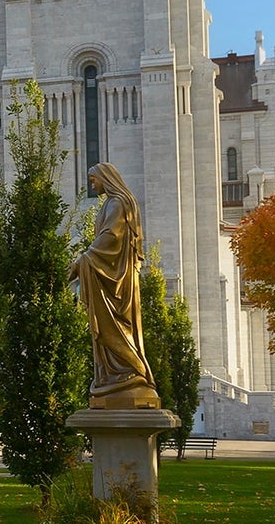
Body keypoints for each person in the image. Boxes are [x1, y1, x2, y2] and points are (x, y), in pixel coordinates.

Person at [69, 162, 161, 409]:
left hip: (117, 282)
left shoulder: (117, 203)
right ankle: (118, 376)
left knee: (116, 326)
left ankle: (133, 372)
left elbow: (111, 238)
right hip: (114, 278)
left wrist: (82, 262)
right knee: (114, 330)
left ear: (105, 179)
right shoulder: (114, 203)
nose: (91, 184)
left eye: (93, 180)